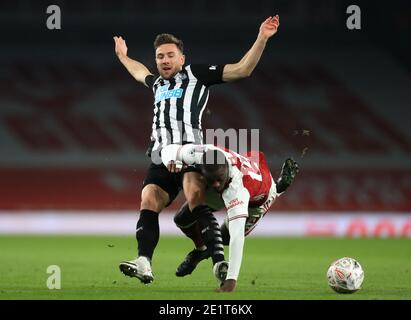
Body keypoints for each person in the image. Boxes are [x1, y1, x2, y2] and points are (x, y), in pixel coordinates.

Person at [113, 15, 281, 284]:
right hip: (160, 155)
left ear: (182, 58)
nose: (164, 61)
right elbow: (137, 71)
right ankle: (144, 261)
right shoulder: (156, 84)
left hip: (191, 153)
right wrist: (123, 56)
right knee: (148, 200)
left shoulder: (196, 74)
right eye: (159, 57)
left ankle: (218, 263)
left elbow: (242, 70)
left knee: (194, 199)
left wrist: (262, 37)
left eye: (170, 55)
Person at [161, 143, 299, 292]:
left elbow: (237, 236)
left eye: (219, 179)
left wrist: (231, 280)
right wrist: (170, 160)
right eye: (212, 180)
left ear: (226, 169)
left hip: (259, 198)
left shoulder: (238, 190)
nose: (216, 184)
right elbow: (168, 149)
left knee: (225, 237)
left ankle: (279, 188)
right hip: (240, 171)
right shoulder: (200, 153)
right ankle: (202, 250)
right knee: (182, 218)